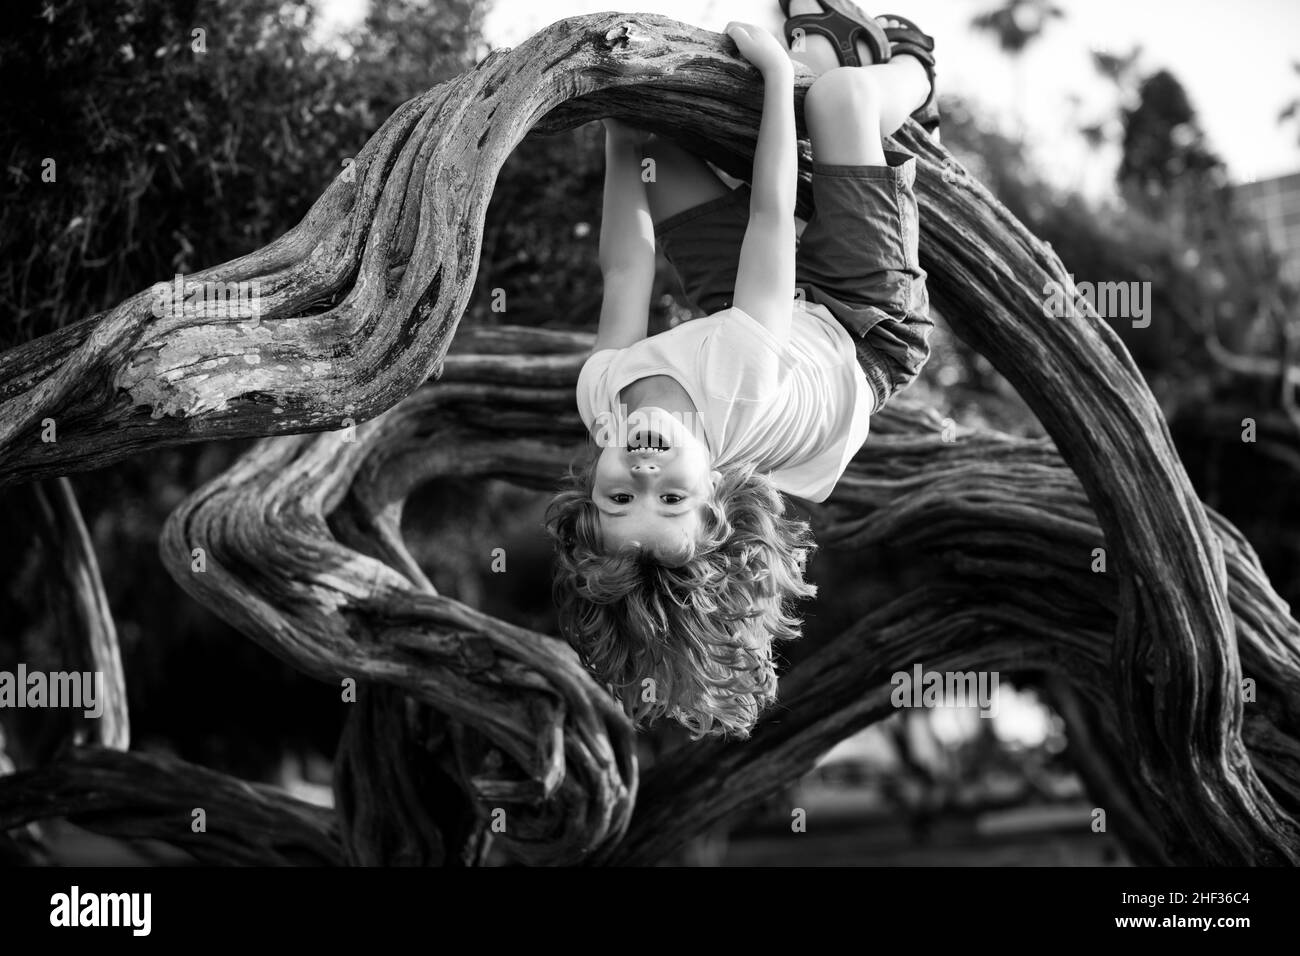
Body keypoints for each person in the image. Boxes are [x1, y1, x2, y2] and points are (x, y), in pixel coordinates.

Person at [547, 1, 937, 738]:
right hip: (860, 326)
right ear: (715, 496)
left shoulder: (600, 400)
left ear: (589, 501)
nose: (645, 471)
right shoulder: (739, 383)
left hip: (745, 302)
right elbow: (769, 215)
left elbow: (626, 268)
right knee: (837, 98)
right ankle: (914, 70)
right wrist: (774, 72)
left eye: (621, 498)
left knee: (656, 146)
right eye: (670, 502)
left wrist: (618, 126)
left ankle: (819, 101)